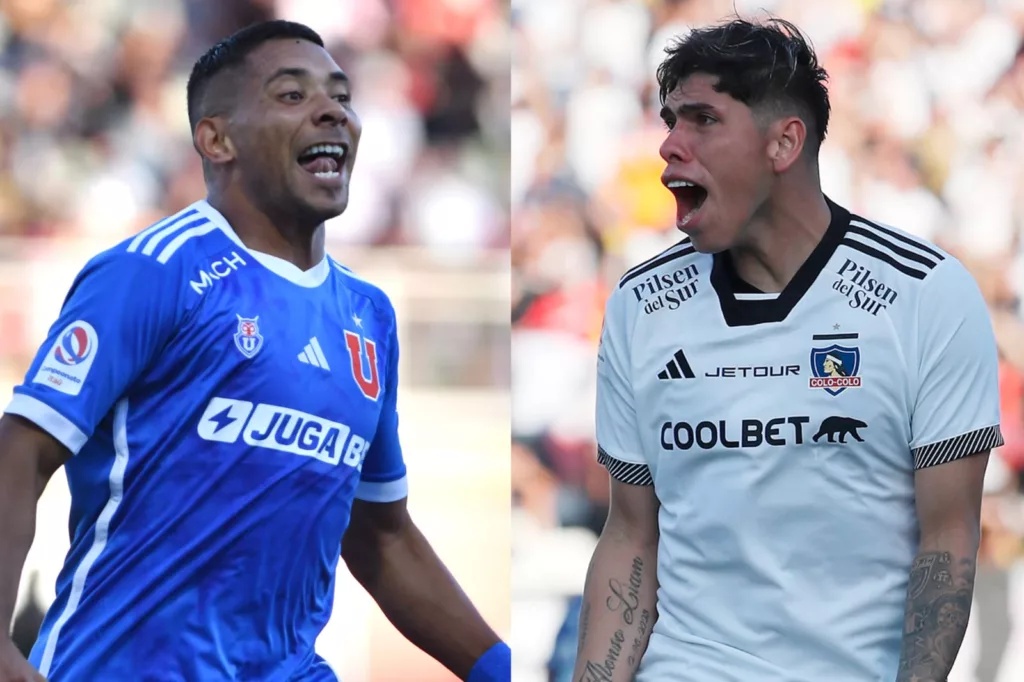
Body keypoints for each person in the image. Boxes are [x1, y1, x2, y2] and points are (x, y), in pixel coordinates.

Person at [0, 20, 509, 682]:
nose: (332, 110)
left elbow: (381, 535)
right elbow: (21, 450)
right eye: (291, 95)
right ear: (218, 138)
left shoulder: (367, 316)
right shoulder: (156, 271)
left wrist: (500, 668)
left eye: (341, 95)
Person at [575, 18, 1002, 682]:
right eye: (669, 120)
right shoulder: (639, 305)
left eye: (702, 121)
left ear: (784, 142)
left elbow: (947, 540)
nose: (668, 146)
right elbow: (631, 536)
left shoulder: (926, 295)